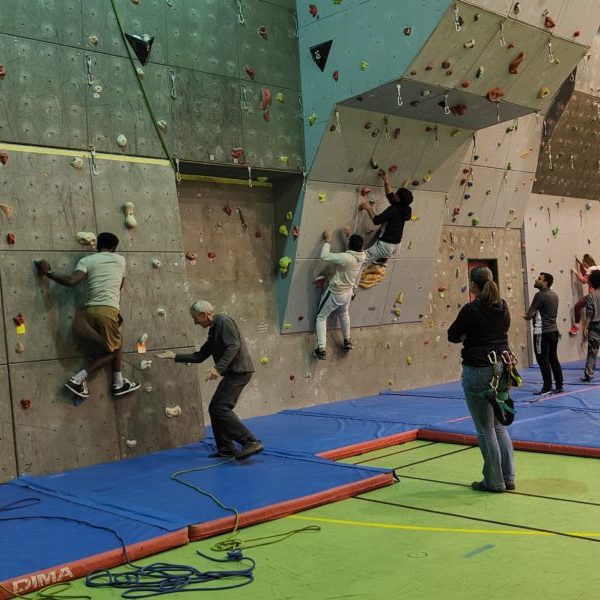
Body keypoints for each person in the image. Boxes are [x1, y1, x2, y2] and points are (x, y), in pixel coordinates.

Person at [35, 232, 140, 400]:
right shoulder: (120, 260)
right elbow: (120, 286)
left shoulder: (87, 261)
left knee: (110, 346)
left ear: (98, 245)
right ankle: (79, 378)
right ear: (114, 248)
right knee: (116, 348)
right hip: (108, 310)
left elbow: (71, 281)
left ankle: (118, 383)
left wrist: (49, 273)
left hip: (89, 313)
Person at [160, 300, 263, 460]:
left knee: (220, 408)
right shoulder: (214, 330)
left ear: (203, 315)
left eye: (195, 318)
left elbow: (233, 346)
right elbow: (200, 355)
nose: (194, 322)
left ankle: (250, 442)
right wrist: (174, 356)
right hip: (233, 373)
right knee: (216, 408)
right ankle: (226, 448)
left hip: (239, 372)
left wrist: (217, 368)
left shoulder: (224, 322)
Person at [448, 267, 514, 493]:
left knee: (485, 427)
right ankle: (508, 476)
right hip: (503, 367)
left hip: (479, 368)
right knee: (498, 425)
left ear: (474, 287)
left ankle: (494, 481)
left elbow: (452, 334)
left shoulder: (471, 309)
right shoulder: (503, 307)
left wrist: (468, 336)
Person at [314, 230, 365, 360]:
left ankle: (321, 348)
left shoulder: (345, 258)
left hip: (335, 294)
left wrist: (328, 240)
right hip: (348, 293)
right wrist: (348, 235)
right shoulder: (362, 256)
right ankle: (347, 340)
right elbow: (353, 249)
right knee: (344, 314)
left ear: (350, 245)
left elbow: (324, 256)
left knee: (321, 317)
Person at [358, 169, 412, 266]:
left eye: (397, 194)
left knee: (358, 261)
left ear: (399, 199)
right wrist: (386, 181)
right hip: (396, 245)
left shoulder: (393, 210)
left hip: (385, 245)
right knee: (363, 261)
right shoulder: (406, 208)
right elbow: (390, 196)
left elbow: (376, 220)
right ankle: (378, 261)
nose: (394, 194)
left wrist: (368, 208)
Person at [524, 272, 563, 394]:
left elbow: (529, 315)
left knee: (542, 360)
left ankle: (547, 387)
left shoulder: (539, 296)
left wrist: (524, 316)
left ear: (545, 283)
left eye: (539, 279)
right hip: (554, 331)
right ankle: (559, 384)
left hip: (542, 333)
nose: (536, 280)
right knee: (553, 358)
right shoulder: (555, 295)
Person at [569, 254, 600, 335]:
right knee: (594, 313)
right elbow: (587, 271)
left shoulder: (590, 269)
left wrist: (575, 271)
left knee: (577, 307)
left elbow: (583, 280)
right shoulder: (598, 267)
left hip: (593, 294)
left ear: (586, 262)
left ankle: (576, 327)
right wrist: (580, 263)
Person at [580, 269, 600, 382]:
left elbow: (589, 314)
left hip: (595, 327)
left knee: (592, 351)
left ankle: (589, 374)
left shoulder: (592, 296)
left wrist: (585, 328)